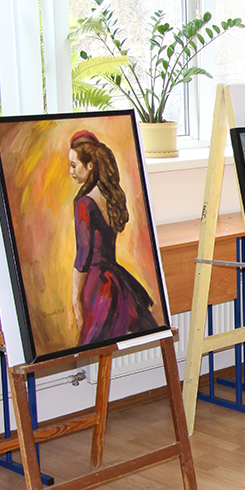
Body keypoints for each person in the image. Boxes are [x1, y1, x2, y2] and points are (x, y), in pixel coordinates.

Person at [69, 131, 158, 345]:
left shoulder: (84, 204)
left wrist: (75, 297)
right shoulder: (111, 198)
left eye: (73, 165)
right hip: (118, 281)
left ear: (90, 165)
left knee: (92, 343)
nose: (70, 171)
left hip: (97, 286)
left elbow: (84, 254)